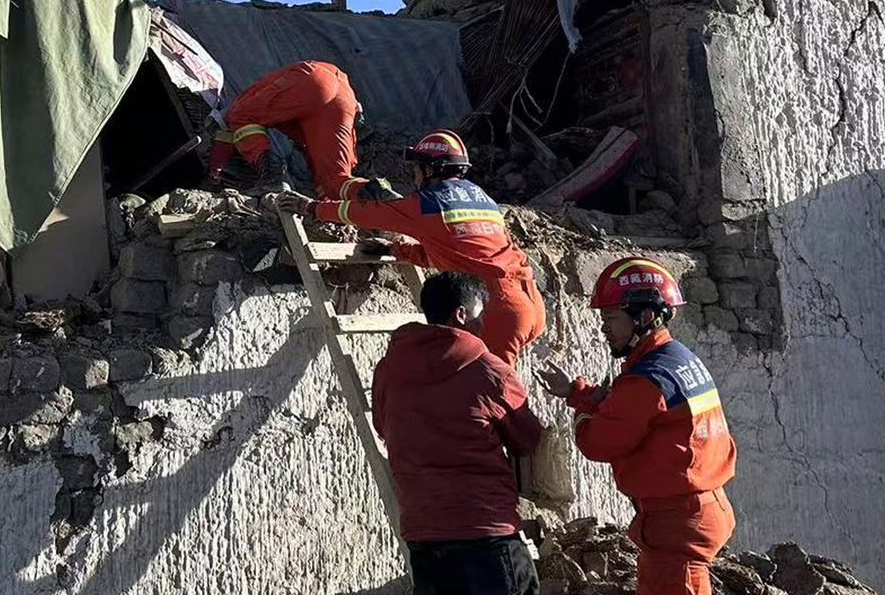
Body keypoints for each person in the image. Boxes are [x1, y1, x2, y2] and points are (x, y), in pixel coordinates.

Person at [536, 257, 737, 595]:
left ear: (644, 317)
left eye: (611, 318)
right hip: (692, 512)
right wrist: (576, 391)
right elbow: (628, 406)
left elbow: (598, 441)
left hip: (676, 524)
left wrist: (582, 412)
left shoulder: (647, 378)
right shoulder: (674, 359)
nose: (603, 328)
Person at [274, 130, 546, 362]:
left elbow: (367, 212)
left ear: (430, 169)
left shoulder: (427, 204)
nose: (414, 176)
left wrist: (311, 207)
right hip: (530, 303)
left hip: (496, 309)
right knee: (488, 393)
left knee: (486, 402)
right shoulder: (482, 199)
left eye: (416, 169)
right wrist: (395, 250)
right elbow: (456, 253)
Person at [373, 270, 544, 595]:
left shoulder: (388, 369)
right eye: (481, 315)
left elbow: (383, 427)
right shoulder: (490, 372)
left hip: (424, 534)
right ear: (461, 315)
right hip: (487, 534)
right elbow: (528, 438)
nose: (484, 326)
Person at [205, 60, 365, 196]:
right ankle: (379, 198)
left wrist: (214, 172)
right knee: (335, 179)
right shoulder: (286, 113)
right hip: (344, 95)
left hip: (312, 78)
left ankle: (272, 176)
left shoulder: (239, 103)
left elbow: (227, 128)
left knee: (240, 116)